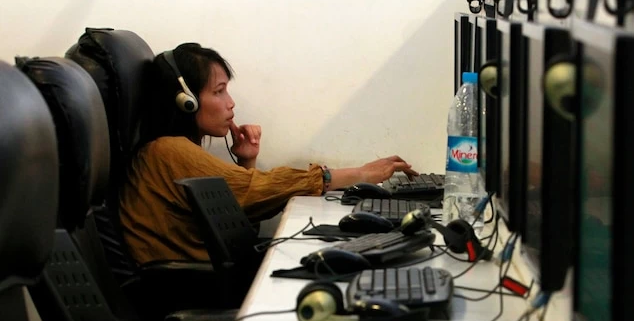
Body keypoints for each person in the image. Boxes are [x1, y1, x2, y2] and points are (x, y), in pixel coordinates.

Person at [120, 42, 417, 264]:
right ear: (187, 101)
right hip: (190, 289)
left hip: (207, 280)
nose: (230, 103)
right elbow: (255, 191)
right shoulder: (168, 151)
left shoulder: (169, 152)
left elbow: (238, 213)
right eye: (219, 91)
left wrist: (246, 160)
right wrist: (360, 173)